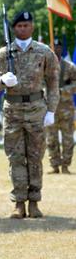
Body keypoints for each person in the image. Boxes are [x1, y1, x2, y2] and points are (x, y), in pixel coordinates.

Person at [0, 11, 59, 218]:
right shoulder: (3, 54)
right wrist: (2, 81)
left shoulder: (44, 52)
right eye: (19, 26)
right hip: (12, 110)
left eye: (26, 25)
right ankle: (19, 202)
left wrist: (51, 110)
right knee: (15, 157)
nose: (23, 28)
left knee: (35, 156)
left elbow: (53, 81)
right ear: (14, 28)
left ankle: (34, 202)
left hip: (36, 108)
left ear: (32, 27)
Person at [47, 40, 76, 174]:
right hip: (50, 109)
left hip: (66, 108)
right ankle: (55, 165)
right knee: (51, 138)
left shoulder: (70, 67)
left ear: (61, 49)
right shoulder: (44, 67)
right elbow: (37, 84)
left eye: (58, 47)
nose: (56, 49)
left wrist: (63, 90)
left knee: (68, 138)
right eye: (53, 47)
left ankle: (65, 165)